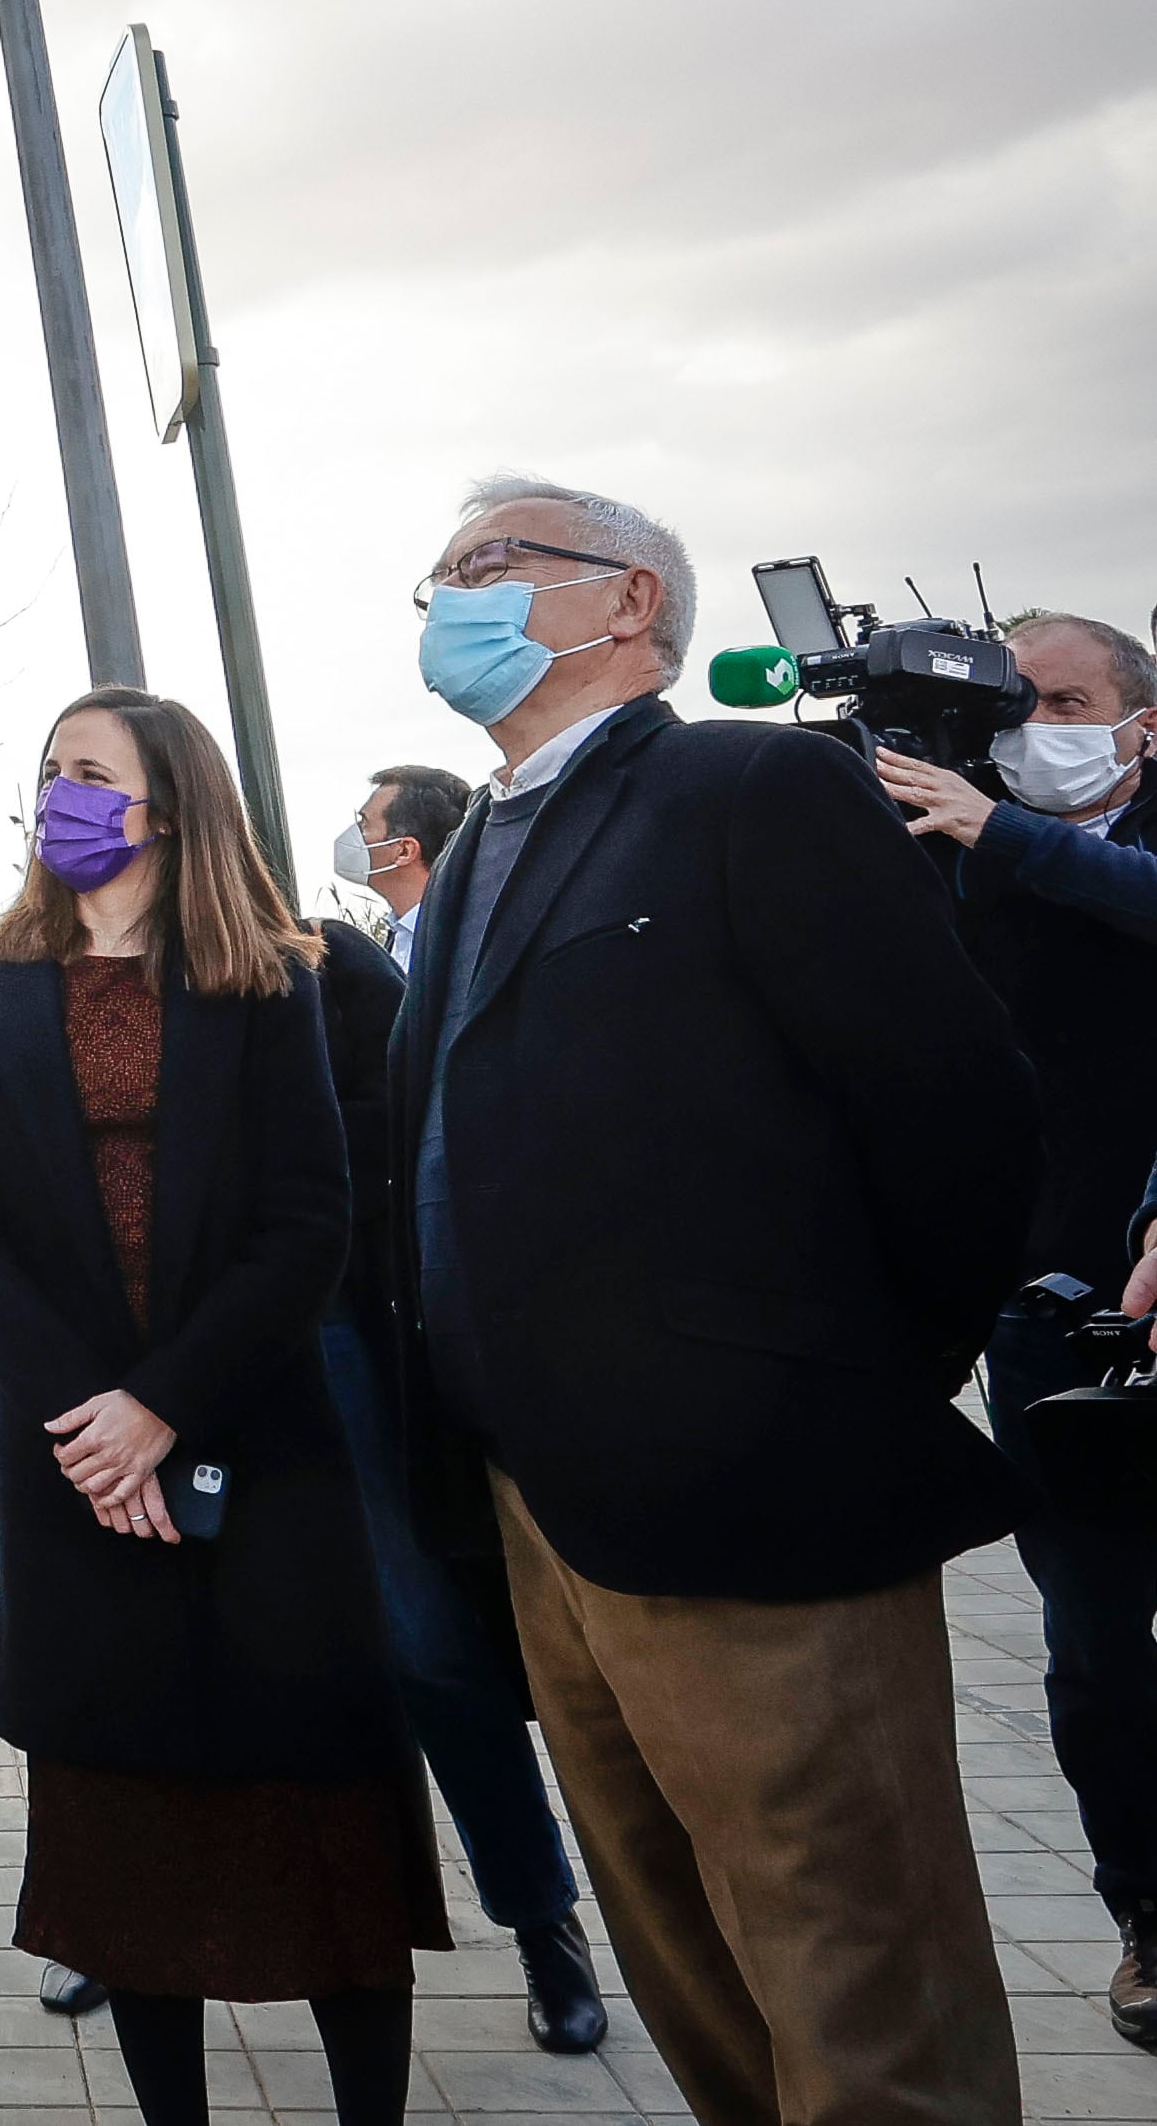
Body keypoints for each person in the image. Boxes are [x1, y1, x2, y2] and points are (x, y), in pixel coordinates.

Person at [378, 474, 1037, 2126]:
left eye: (486, 565)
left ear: (627, 607)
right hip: (541, 1519)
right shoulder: (471, 855)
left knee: (855, 1993)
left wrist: (826, 1384)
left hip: (762, 1506)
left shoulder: (750, 787)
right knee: (690, 1973)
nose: (444, 599)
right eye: (435, 578)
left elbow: (958, 1117)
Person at [0, 686, 443, 2126]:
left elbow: (304, 1222)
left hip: (254, 1444)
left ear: (165, 802)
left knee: (319, 1807)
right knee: (125, 1834)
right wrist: (89, 1419)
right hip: (73, 1463)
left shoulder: (270, 977)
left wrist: (160, 1403)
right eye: (45, 773)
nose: (55, 797)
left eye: (85, 773)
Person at [880, 612, 1157, 2048]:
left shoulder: (1025, 836)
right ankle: (1142, 1909)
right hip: (1049, 1310)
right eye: (1016, 699)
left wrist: (995, 829)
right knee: (1097, 1644)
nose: (1034, 720)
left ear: (1136, 722)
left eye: (1066, 698)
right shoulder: (955, 841)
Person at [301, 842, 606, 2055]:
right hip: (154, 1372)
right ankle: (122, 1919)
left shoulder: (324, 964)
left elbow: (418, 1115)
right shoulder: (63, 974)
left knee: (423, 1640)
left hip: (323, 1335)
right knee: (168, 1653)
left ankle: (540, 1918)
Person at [328, 766, 470, 970]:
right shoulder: (403, 934)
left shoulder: (457, 945)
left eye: (365, 824)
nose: (355, 834)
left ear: (404, 851)